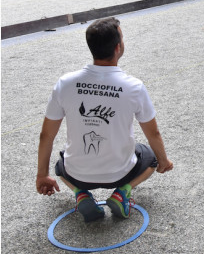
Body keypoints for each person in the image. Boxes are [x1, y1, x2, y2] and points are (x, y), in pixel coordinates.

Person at [36, 17, 173, 222]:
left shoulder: (65, 83)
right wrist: (163, 161)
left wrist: (42, 175)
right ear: (118, 47)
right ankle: (122, 193)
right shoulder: (134, 87)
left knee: (60, 164)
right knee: (150, 157)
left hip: (76, 174)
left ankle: (81, 194)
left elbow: (46, 135)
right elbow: (153, 133)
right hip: (121, 173)